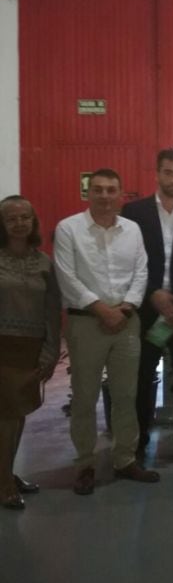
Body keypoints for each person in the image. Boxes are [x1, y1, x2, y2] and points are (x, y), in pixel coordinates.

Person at [53, 169, 158, 495]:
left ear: (120, 193)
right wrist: (102, 310)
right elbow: (66, 277)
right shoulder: (68, 228)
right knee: (85, 396)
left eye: (111, 190)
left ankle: (125, 458)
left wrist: (124, 308)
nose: (105, 196)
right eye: (98, 189)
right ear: (88, 193)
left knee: (126, 395)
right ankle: (85, 463)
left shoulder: (132, 230)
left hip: (127, 322)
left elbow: (141, 272)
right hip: (87, 322)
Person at [121, 148, 173, 464]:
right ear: (157, 173)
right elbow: (126, 261)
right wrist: (152, 293)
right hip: (147, 310)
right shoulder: (133, 213)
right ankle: (138, 440)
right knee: (141, 378)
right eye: (169, 172)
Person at [0, 197, 61, 510]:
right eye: (12, 218)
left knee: (18, 413)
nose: (19, 223)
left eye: (25, 217)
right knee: (6, 417)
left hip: (30, 348)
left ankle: (7, 472)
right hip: (3, 348)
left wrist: (50, 353)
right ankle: (4, 483)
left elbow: (52, 312)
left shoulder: (43, 263)